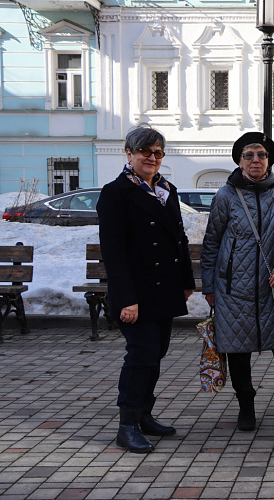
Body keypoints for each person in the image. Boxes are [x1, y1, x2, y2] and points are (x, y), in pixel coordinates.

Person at [200, 132, 274, 432]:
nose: (255, 160)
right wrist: (209, 287)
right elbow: (212, 243)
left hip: (273, 286)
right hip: (232, 288)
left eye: (261, 155)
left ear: (269, 160)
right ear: (239, 161)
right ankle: (246, 407)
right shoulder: (225, 196)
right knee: (237, 350)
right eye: (248, 155)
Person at [97, 125, 195, 453]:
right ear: (129, 154)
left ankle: (144, 415)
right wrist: (126, 299)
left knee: (156, 354)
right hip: (136, 293)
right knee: (141, 355)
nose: (152, 158)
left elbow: (178, 240)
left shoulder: (166, 189)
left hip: (164, 289)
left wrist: (186, 282)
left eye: (158, 153)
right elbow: (113, 252)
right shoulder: (116, 193)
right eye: (145, 152)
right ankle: (126, 426)